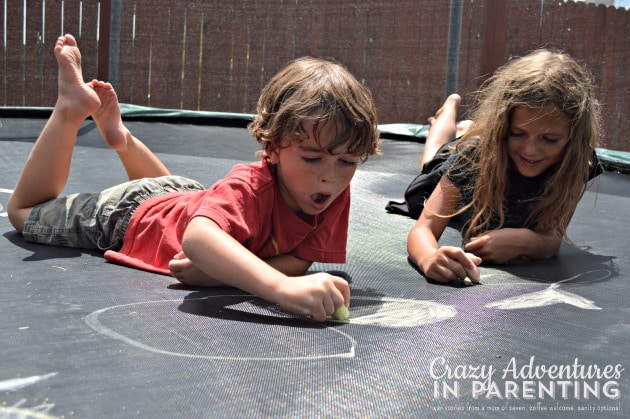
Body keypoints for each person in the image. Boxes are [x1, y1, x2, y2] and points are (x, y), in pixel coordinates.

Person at [7, 34, 381, 321]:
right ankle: (69, 109)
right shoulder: (249, 187)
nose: (329, 179)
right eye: (312, 158)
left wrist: (218, 276)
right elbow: (198, 237)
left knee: (169, 197)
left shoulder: (331, 193)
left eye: (347, 162)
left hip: (186, 196)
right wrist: (280, 288)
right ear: (272, 147)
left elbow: (299, 260)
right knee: (23, 212)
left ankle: (123, 140)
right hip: (130, 217)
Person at [389, 49, 603, 284]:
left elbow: (551, 239)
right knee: (431, 158)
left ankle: (463, 128)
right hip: (460, 162)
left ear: (573, 138)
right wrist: (429, 257)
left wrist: (525, 241)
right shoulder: (472, 158)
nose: (530, 150)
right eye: (517, 133)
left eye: (549, 139)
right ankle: (449, 109)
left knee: (457, 143)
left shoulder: (576, 162)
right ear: (502, 127)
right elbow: (423, 230)